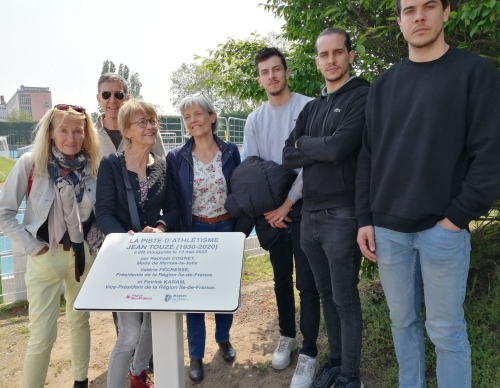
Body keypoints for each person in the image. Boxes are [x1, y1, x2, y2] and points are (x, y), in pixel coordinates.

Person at [355, 0, 500, 386]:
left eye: (429, 6)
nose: (419, 16)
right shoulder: (383, 85)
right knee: (402, 323)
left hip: (443, 231)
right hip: (388, 231)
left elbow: (490, 156)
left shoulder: (475, 72)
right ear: (400, 20)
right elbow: (368, 156)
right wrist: (365, 219)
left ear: (447, 11)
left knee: (446, 332)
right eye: (409, 9)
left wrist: (456, 219)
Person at [282, 28, 369, 388]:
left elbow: (339, 149)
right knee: (325, 294)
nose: (331, 60)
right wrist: (320, 145)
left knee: (346, 298)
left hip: (342, 214)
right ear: (317, 60)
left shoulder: (362, 97)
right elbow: (289, 155)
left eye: (337, 52)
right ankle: (334, 363)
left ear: (350, 55)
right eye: (324, 54)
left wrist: (310, 144)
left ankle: (350, 376)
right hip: (311, 216)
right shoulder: (311, 107)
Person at [0, 104, 102, 388]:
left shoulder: (94, 166)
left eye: (78, 131)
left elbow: (101, 212)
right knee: (43, 334)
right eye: (64, 130)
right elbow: (4, 212)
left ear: (86, 133)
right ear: (51, 132)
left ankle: (80, 382)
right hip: (46, 256)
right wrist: (34, 248)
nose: (71, 138)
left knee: (80, 321)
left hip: (82, 256)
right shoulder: (32, 163)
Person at [244, 47, 321, 388]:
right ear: (260, 79)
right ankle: (287, 335)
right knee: (280, 280)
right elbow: (250, 171)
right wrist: (267, 210)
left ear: (286, 73)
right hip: (270, 215)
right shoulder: (255, 119)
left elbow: (312, 163)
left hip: (302, 209)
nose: (272, 76)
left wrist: (288, 204)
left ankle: (309, 352)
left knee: (308, 283)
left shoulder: (308, 107)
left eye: (277, 69)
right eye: (265, 71)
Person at [96, 99, 179, 388]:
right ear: (126, 131)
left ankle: (138, 372)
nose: (151, 126)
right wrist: (124, 239)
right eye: (142, 122)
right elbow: (103, 212)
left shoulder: (163, 166)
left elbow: (172, 208)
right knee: (130, 333)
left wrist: (160, 227)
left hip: (153, 258)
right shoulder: (110, 165)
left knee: (155, 323)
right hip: (123, 258)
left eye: (153, 120)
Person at [166, 93, 241, 383]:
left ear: (211, 117)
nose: (193, 121)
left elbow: (239, 190)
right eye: (187, 117)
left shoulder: (230, 151)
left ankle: (223, 339)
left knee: (224, 291)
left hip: (225, 228)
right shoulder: (177, 157)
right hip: (195, 230)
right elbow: (174, 200)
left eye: (198, 114)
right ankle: (196, 354)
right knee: (194, 297)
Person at [96, 72, 165, 159]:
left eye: (118, 95)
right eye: (106, 95)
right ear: (99, 99)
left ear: (127, 99)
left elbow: (162, 165)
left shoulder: (147, 130)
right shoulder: (89, 133)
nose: (112, 100)